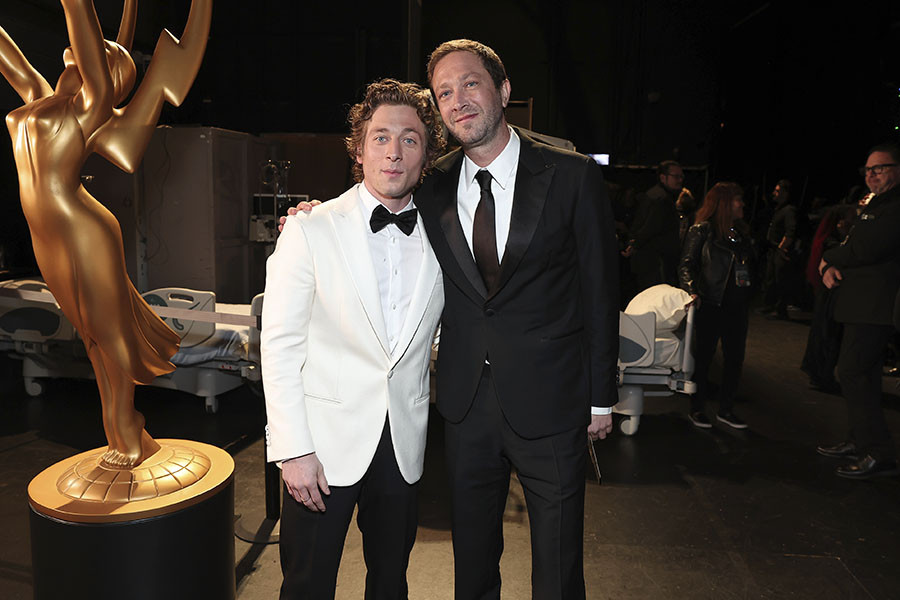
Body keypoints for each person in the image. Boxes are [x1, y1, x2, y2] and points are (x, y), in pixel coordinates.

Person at [416, 39, 619, 599]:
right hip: (465, 406)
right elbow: (371, 210)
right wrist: (307, 216)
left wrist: (602, 397)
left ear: (503, 91)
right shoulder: (431, 185)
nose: (458, 100)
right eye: (444, 93)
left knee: (557, 566)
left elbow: (601, 292)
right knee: (472, 562)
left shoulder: (571, 176)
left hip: (554, 402)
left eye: (470, 84)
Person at [0, 0, 210, 468]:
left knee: (109, 336)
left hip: (82, 230)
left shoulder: (90, 106)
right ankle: (121, 431)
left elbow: (82, 24)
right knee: (91, 338)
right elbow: (8, 57)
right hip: (47, 236)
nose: (70, 59)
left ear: (107, 74)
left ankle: (126, 428)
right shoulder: (38, 97)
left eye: (82, 58)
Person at [261, 79, 446, 598]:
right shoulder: (310, 229)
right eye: (381, 137)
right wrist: (292, 449)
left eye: (410, 139)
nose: (394, 151)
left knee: (391, 583)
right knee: (307, 584)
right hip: (320, 447)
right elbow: (278, 347)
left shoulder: (445, 235)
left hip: (402, 444)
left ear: (426, 154)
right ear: (359, 149)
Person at [816, 142, 900, 479]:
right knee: (860, 376)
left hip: (875, 307)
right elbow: (854, 246)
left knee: (853, 372)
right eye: (867, 169)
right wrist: (830, 264)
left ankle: (878, 453)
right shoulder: (878, 203)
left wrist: (829, 258)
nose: (872, 174)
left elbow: (864, 248)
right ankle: (860, 439)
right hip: (861, 304)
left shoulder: (894, 206)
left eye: (880, 168)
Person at [678, 182, 754, 429]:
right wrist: (692, 291)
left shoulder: (741, 233)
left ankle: (726, 409)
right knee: (704, 358)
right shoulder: (702, 230)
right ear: (723, 203)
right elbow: (686, 264)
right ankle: (697, 408)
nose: (741, 204)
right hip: (711, 303)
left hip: (737, 305)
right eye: (737, 200)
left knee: (735, 359)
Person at [624, 160, 684, 292]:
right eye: (676, 176)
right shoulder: (662, 199)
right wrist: (635, 244)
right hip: (655, 262)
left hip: (649, 260)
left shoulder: (654, 194)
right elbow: (651, 227)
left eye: (681, 176)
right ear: (663, 177)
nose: (680, 180)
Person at [760, 179, 797, 319]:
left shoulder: (789, 210)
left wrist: (782, 247)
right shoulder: (779, 209)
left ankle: (780, 309)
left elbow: (790, 231)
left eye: (777, 191)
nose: (774, 193)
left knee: (780, 279)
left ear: (785, 193)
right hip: (774, 249)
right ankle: (770, 306)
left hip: (781, 250)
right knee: (771, 278)